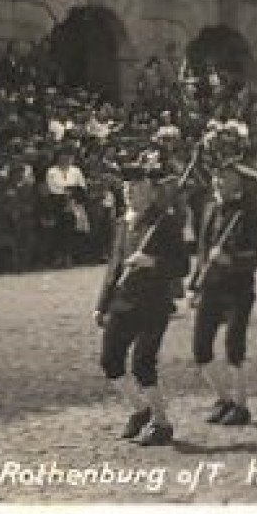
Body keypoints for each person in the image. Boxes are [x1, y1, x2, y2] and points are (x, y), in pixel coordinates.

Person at [94, 156, 188, 446]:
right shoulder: (122, 223)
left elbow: (182, 265)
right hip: (122, 301)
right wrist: (102, 303)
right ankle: (141, 410)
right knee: (110, 361)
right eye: (126, 189)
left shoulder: (166, 222)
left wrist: (152, 262)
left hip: (153, 303)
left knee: (143, 363)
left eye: (135, 188)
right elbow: (114, 266)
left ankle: (162, 423)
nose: (129, 193)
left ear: (149, 191)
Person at [186, 160, 257, 425]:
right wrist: (193, 284)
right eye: (216, 177)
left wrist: (230, 259)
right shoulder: (211, 207)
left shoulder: (253, 210)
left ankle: (241, 405)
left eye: (224, 177)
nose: (217, 182)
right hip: (210, 286)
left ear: (238, 180)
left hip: (238, 289)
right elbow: (202, 250)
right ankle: (224, 398)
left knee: (234, 348)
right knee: (200, 348)